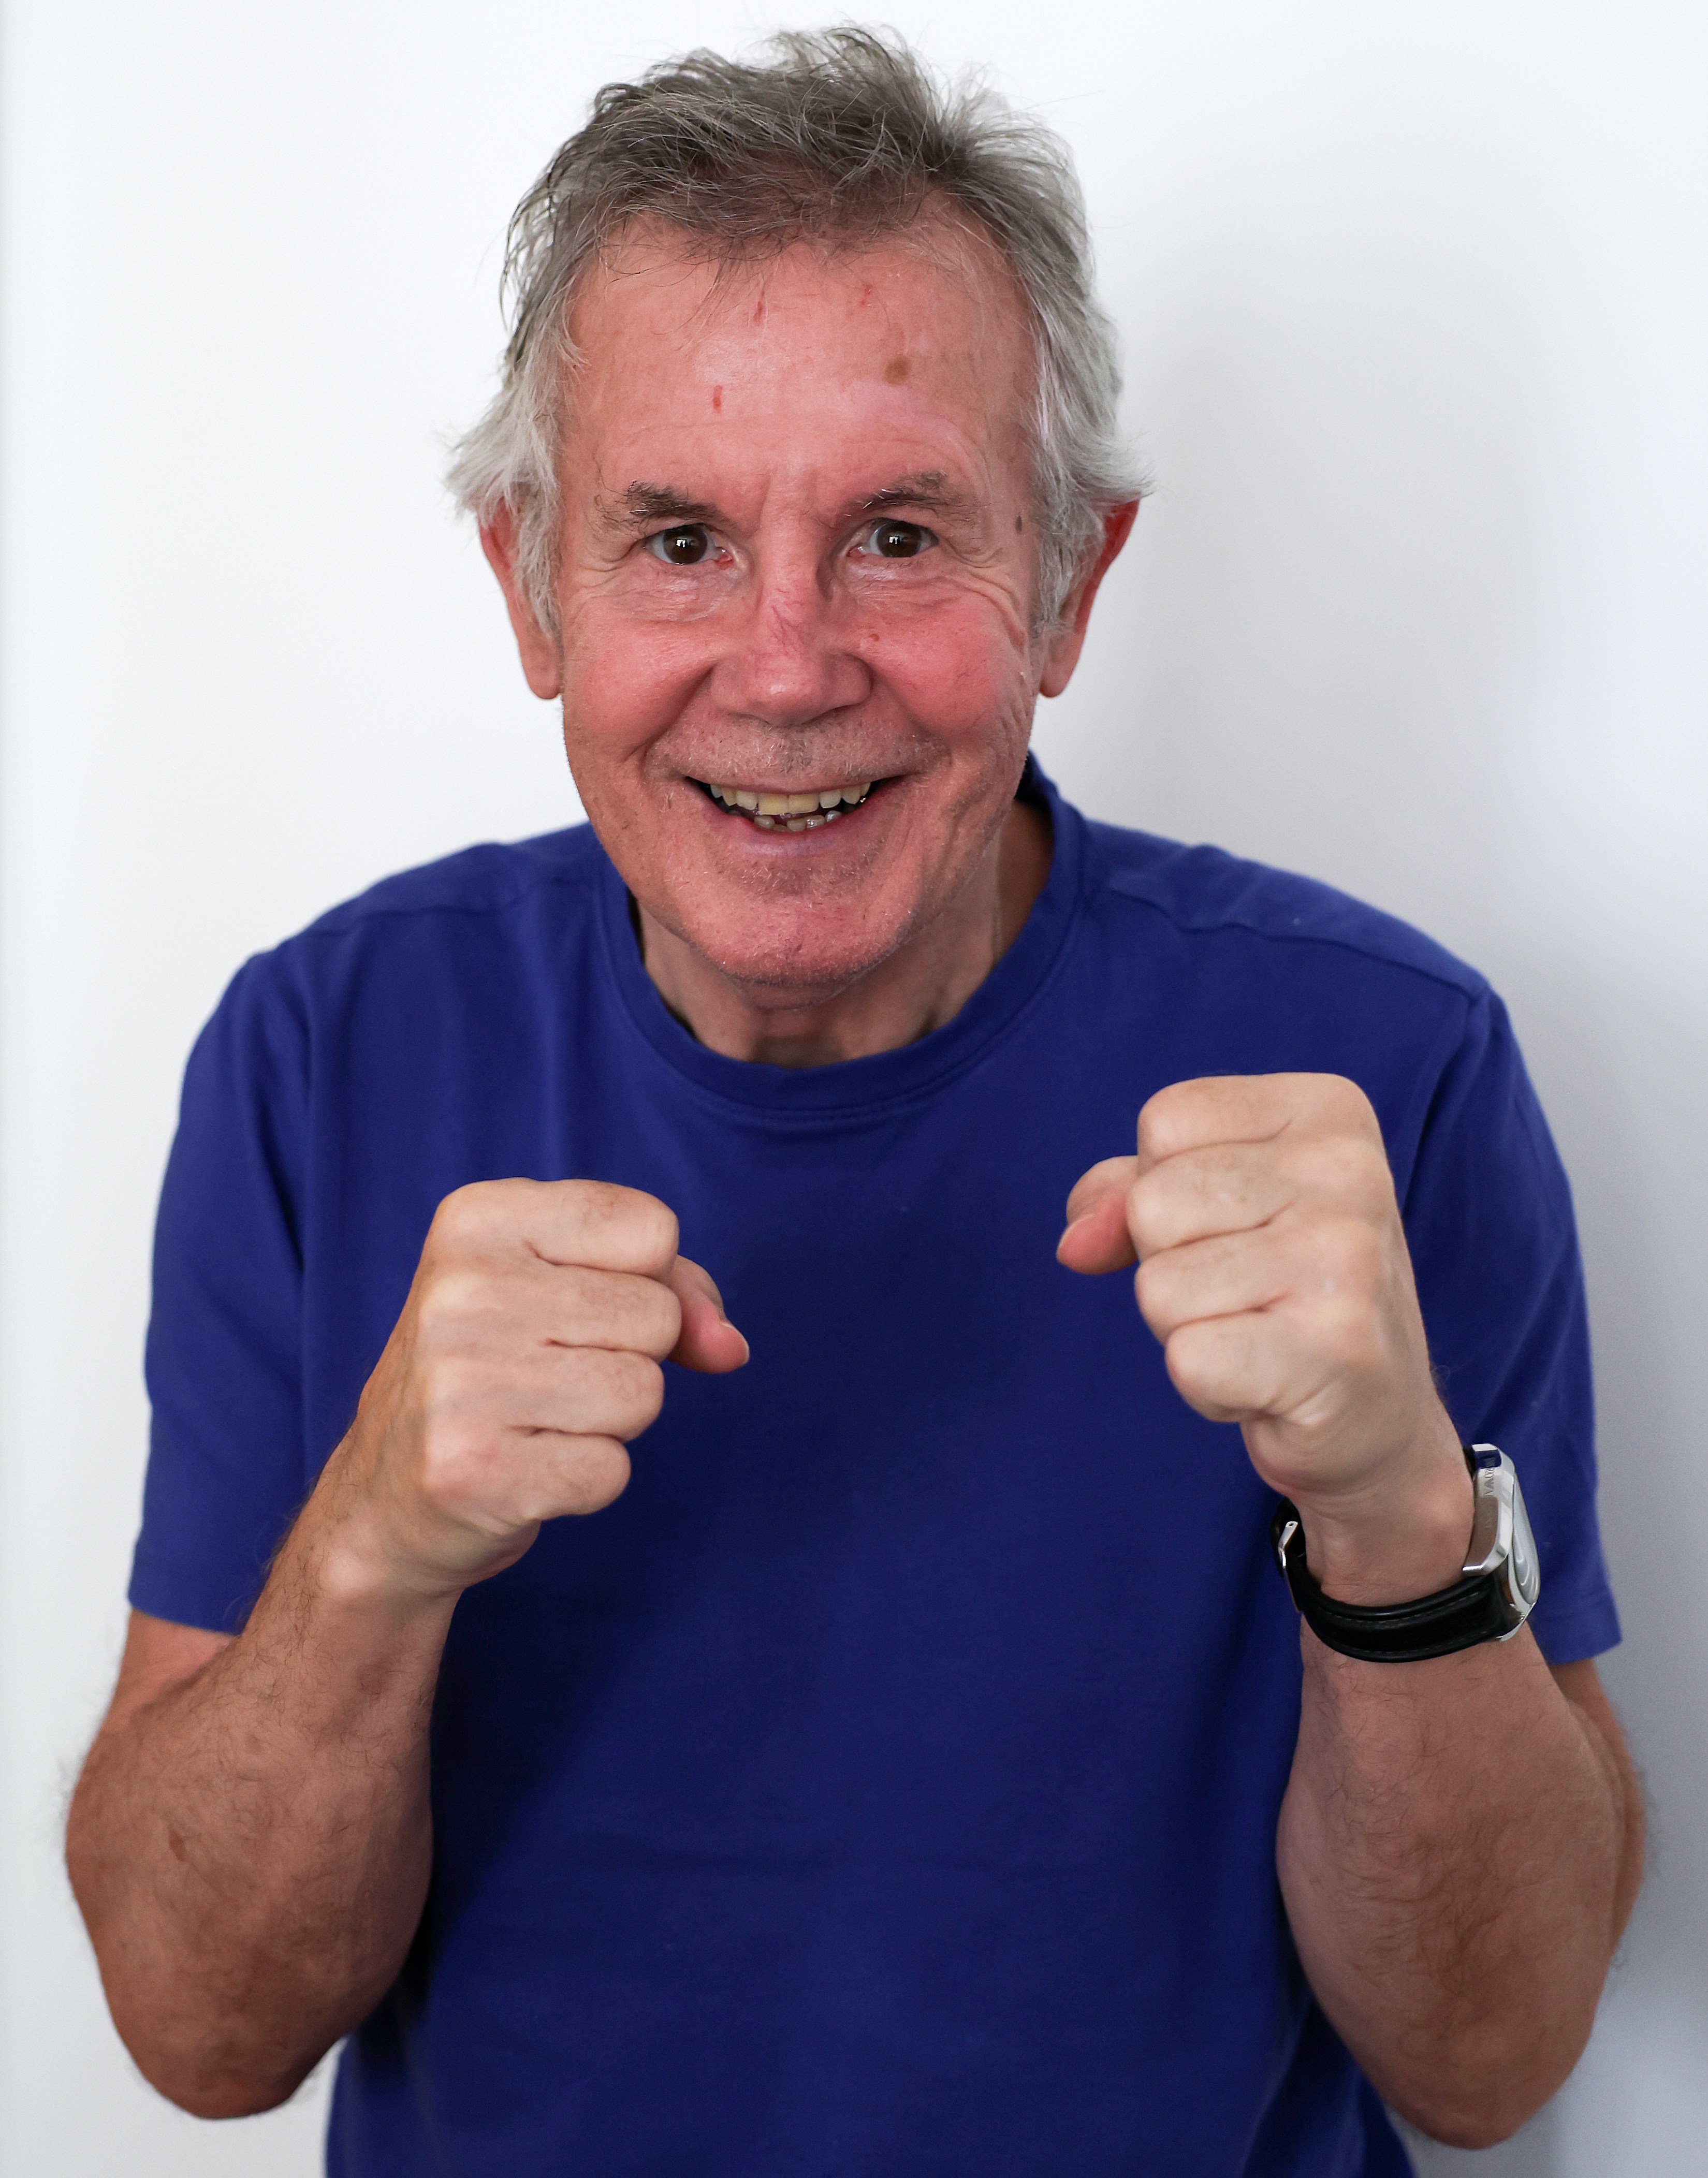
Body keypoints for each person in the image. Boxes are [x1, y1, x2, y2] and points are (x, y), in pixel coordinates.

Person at [66, 29, 1642, 2177]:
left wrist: (1392, 1515)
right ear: (529, 584)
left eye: (899, 534)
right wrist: (368, 1553)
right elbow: (196, 2032)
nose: (789, 665)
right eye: (679, 540)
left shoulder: (1388, 1068)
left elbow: (1491, 2056)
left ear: (1070, 579)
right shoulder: (324, 1050)